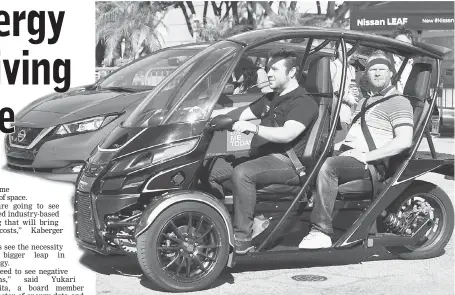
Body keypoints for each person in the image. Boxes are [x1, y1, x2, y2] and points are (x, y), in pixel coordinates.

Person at [299, 50, 414, 249]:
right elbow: (354, 136)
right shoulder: (364, 101)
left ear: (391, 73)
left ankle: (321, 231)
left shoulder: (400, 102)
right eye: (372, 70)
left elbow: (404, 141)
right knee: (309, 156)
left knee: (329, 167)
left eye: (381, 69)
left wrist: (365, 156)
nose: (377, 73)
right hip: (351, 156)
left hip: (371, 165)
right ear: (366, 74)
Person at [209, 49, 319, 254]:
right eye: (268, 68)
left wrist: (255, 128)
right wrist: (205, 115)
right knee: (210, 168)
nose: (268, 73)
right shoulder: (271, 98)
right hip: (261, 158)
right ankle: (218, 224)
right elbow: (238, 113)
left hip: (287, 164)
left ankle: (242, 238)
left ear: (292, 72)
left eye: (275, 69)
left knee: (243, 173)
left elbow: (288, 134)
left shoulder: (303, 102)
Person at [330, 42, 360, 125]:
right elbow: (332, 89)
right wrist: (348, 97)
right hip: (337, 111)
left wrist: (354, 92)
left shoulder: (351, 69)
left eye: (350, 50)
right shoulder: (333, 66)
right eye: (342, 50)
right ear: (337, 51)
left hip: (348, 111)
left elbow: (350, 86)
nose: (347, 53)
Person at [392, 26, 414, 93]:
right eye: (399, 43)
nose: (403, 47)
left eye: (406, 44)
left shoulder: (418, 66)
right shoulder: (386, 62)